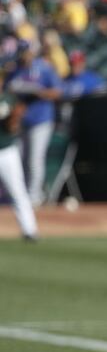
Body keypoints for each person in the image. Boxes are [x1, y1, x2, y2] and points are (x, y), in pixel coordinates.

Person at [6, 39, 61, 207]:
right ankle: (20, 196)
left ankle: (34, 196)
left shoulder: (44, 68)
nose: (25, 56)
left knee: (35, 159)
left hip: (41, 119)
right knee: (19, 160)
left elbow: (57, 92)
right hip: (20, 122)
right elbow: (7, 90)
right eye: (22, 52)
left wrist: (40, 92)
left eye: (27, 52)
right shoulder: (15, 70)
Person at [0, 87, 39, 241]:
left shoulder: (9, 99)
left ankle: (29, 230)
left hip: (7, 151)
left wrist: (14, 117)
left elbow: (13, 126)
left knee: (18, 191)